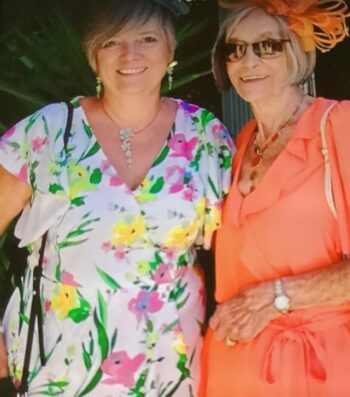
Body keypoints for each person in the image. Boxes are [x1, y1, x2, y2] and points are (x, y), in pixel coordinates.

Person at [0, 0, 233, 396]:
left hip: (173, 365)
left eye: (147, 39)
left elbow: (250, 243)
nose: (131, 55)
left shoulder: (203, 135)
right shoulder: (50, 131)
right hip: (63, 366)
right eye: (112, 42)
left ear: (169, 51)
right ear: (94, 56)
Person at [200, 1, 350, 396]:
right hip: (232, 367)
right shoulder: (240, 144)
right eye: (235, 49)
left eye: (266, 46)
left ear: (294, 51)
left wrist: (278, 296)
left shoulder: (340, 123)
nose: (248, 60)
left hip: (318, 367)